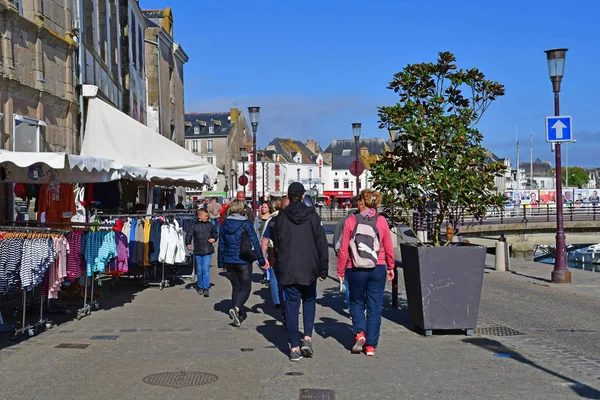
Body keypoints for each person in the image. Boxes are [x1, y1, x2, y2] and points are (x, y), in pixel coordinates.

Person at [269, 183, 328, 362]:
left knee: (292, 306)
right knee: (309, 301)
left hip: (288, 267)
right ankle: (307, 338)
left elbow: (276, 245)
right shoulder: (313, 217)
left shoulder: (280, 218)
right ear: (303, 196)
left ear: (288, 195)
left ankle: (294, 347)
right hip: (309, 267)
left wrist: (278, 267)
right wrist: (323, 268)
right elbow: (321, 243)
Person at [337, 189, 395, 357]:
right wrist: (390, 267)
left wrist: (341, 271)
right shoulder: (382, 221)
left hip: (355, 267)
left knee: (356, 302)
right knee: (375, 306)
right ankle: (371, 345)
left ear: (362, 202)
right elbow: (389, 247)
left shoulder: (351, 221)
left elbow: (343, 249)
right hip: (377, 267)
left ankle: (360, 333)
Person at [218, 199, 266, 327]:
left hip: (229, 260)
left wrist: (220, 262)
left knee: (236, 287)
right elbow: (255, 241)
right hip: (243, 260)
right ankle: (237, 308)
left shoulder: (224, 224)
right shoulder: (245, 223)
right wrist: (261, 260)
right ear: (241, 209)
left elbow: (221, 244)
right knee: (246, 287)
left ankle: (237, 315)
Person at [261, 196, 290, 322]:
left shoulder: (272, 219)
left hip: (274, 252)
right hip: (291, 254)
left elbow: (264, 240)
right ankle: (288, 306)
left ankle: (279, 302)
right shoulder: (294, 219)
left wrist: (263, 258)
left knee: (275, 278)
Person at [332, 196, 360, 309]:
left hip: (347, 258)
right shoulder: (364, 218)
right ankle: (362, 307)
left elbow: (336, 241)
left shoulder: (343, 220)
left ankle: (352, 309)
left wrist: (338, 256)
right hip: (364, 258)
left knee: (349, 285)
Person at [186, 209, 218, 297]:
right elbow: (189, 234)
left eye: (207, 216)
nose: (207, 218)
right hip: (198, 250)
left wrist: (214, 239)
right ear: (199, 216)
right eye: (205, 216)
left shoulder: (210, 225)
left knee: (206, 269)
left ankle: (206, 287)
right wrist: (188, 243)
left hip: (208, 249)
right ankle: (200, 286)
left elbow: (215, 233)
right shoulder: (194, 226)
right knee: (199, 270)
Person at [255, 201, 273, 285]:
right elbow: (255, 230)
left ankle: (269, 278)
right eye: (263, 207)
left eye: (265, 207)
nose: (263, 208)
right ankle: (266, 273)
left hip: (269, 242)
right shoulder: (258, 218)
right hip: (259, 241)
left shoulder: (272, 218)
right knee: (258, 260)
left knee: (268, 259)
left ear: (269, 208)